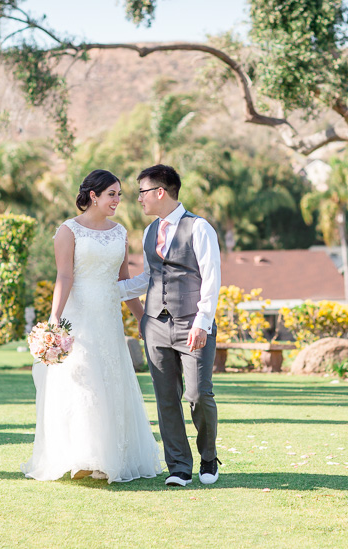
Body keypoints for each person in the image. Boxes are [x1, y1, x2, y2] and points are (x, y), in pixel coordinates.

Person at [21, 169, 161, 483]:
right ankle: (82, 455)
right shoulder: (68, 230)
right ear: (93, 196)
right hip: (78, 316)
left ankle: (107, 459)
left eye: (120, 195)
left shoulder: (120, 232)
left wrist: (142, 319)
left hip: (109, 318)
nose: (118, 200)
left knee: (110, 381)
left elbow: (124, 281)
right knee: (83, 381)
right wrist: (55, 319)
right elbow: (65, 277)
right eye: (112, 194)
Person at [119, 165, 222, 487]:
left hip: (193, 323)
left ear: (160, 192)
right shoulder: (150, 231)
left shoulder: (199, 227)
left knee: (198, 394)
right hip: (155, 326)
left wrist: (202, 323)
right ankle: (178, 466)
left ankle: (208, 457)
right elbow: (150, 277)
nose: (138, 199)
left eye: (142, 192)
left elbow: (211, 279)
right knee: (166, 399)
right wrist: (106, 290)